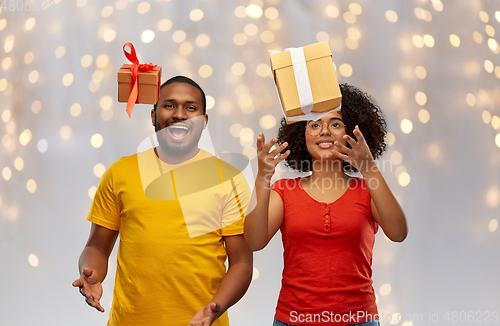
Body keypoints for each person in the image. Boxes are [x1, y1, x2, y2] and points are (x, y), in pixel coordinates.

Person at [72, 76, 253, 326]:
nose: (179, 114)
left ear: (204, 121)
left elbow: (242, 262)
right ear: (153, 115)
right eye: (169, 105)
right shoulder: (120, 173)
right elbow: (97, 247)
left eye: (191, 107)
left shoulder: (227, 179)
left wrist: (214, 309)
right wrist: (92, 273)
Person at [245, 83, 408, 326]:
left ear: (352, 133)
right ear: (301, 134)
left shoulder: (368, 191)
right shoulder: (283, 192)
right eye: (314, 125)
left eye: (335, 124)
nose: (324, 131)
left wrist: (369, 167)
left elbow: (398, 233)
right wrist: (263, 177)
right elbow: (254, 241)